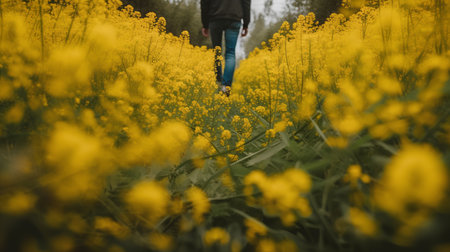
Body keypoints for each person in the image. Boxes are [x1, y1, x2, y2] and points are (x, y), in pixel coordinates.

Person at [201, 0, 251, 96]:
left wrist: (205, 24)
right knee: (230, 53)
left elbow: (204, 2)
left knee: (216, 51)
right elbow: (246, 2)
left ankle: (218, 81)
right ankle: (226, 86)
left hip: (215, 17)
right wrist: (246, 23)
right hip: (234, 18)